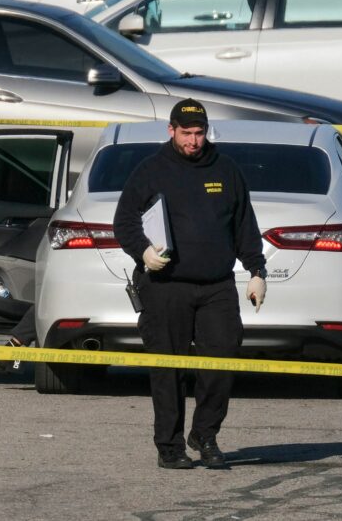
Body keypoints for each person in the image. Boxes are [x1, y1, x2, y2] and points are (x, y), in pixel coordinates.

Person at [113, 99, 267, 470]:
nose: (194, 141)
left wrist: (257, 271)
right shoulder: (151, 170)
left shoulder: (226, 170)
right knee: (168, 368)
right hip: (166, 285)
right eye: (186, 133)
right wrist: (143, 252)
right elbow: (124, 221)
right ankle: (169, 445)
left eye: (199, 133)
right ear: (171, 130)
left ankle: (205, 434)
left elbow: (244, 224)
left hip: (216, 285)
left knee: (223, 356)